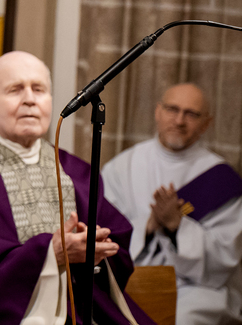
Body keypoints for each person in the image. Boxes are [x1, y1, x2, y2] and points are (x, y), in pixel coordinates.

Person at [0, 51, 154, 324]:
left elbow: (117, 242)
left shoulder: (75, 170)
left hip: (84, 310)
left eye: (39, 89)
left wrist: (94, 249)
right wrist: (49, 254)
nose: (30, 99)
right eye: (15, 90)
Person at [103, 83, 242, 325]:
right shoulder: (122, 167)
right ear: (158, 112)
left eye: (191, 114)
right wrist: (149, 225)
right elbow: (104, 229)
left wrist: (177, 225)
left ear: (206, 123)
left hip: (195, 288)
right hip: (133, 278)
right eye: (172, 109)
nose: (179, 120)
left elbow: (225, 257)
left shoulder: (221, 179)